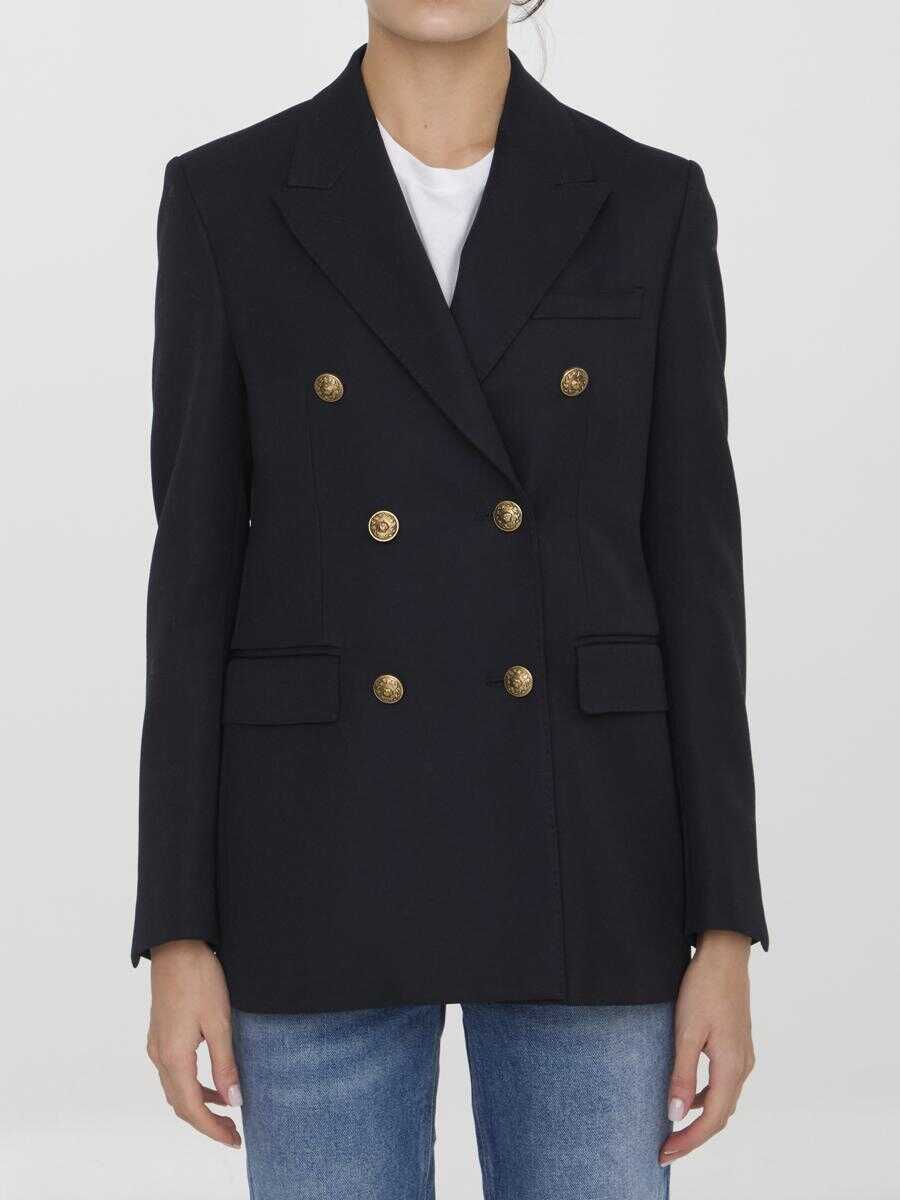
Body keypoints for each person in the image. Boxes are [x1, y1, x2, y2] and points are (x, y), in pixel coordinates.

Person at [133, 3, 767, 1197]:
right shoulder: (228, 199)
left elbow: (698, 584)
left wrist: (725, 927)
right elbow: (193, 586)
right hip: (313, 854)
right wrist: (178, 929)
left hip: (590, 852)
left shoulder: (650, 202)